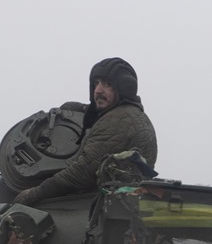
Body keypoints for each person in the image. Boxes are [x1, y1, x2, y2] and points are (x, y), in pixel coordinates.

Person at [15, 57, 157, 204]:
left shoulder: (118, 120)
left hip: (109, 206)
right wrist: (82, 109)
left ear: (124, 88)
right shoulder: (131, 114)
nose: (98, 90)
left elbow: (82, 172)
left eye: (107, 84)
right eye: (96, 84)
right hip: (124, 201)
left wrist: (34, 194)